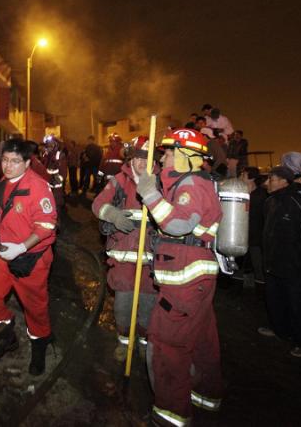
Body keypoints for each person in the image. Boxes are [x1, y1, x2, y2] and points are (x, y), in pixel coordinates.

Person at [135, 128, 224, 426]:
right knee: (201, 338)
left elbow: (178, 225)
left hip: (184, 283)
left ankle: (170, 414)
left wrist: (149, 194)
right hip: (193, 281)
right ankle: (205, 394)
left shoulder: (192, 186)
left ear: (187, 156)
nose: (164, 158)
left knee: (166, 343)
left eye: (170, 152)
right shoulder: (194, 183)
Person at [0, 139, 58, 376]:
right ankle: (7, 337)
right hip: (4, 253)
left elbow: (46, 226)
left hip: (31, 258)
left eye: (15, 161)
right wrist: (0, 239)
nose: (8, 166)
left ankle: (39, 346)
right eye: (5, 160)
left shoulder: (38, 187)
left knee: (35, 309)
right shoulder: (2, 183)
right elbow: (6, 217)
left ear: (27, 162)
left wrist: (21, 247)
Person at [92, 136, 158, 361]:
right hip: (123, 258)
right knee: (123, 306)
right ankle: (124, 342)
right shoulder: (120, 180)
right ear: (132, 158)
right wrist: (114, 215)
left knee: (148, 307)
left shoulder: (161, 182)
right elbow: (98, 204)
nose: (142, 163)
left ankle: (143, 342)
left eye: (147, 158)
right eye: (139, 157)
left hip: (151, 260)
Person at [258, 166, 301, 358]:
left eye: (271, 179)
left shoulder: (300, 202)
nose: (266, 183)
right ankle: (281, 330)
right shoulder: (270, 201)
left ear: (284, 181)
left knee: (300, 303)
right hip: (273, 261)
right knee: (276, 299)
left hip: (296, 263)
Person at [240, 166, 268, 287]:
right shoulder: (242, 193)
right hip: (244, 236)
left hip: (257, 238)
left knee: (258, 265)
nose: (240, 177)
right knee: (246, 265)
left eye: (243, 175)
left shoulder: (261, 195)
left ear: (251, 178)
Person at [41, 134, 68, 210]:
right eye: (48, 144)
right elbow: (43, 167)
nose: (49, 146)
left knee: (56, 200)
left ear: (56, 144)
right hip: (47, 181)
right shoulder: (46, 155)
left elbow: (63, 172)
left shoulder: (59, 155)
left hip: (56, 182)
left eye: (51, 144)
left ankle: (57, 215)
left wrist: (56, 180)